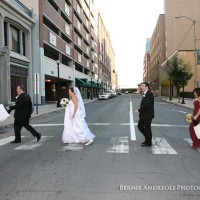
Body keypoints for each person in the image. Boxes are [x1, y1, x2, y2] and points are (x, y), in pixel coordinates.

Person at [135, 82, 154, 146]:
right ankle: (148, 139)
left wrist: (139, 110)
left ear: (146, 87)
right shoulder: (145, 93)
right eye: (141, 86)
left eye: (142, 86)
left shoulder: (149, 94)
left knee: (147, 128)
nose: (141, 87)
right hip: (144, 115)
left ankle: (148, 141)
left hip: (147, 115)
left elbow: (146, 105)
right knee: (140, 126)